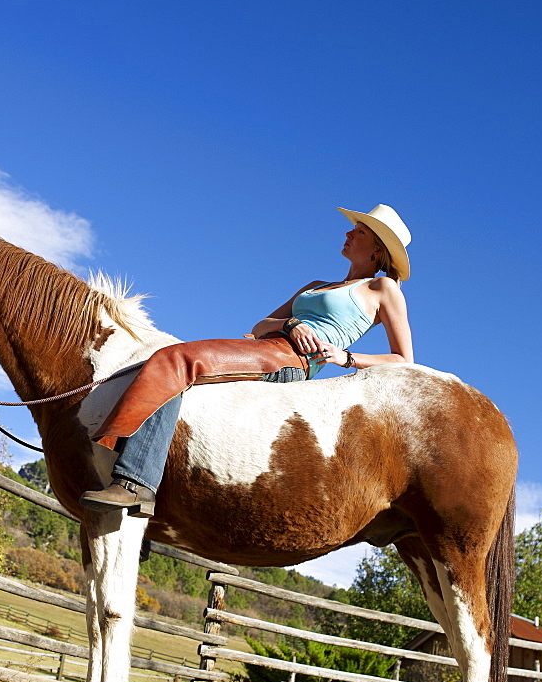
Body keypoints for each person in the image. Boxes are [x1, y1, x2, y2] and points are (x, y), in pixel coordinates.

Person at [80, 204, 414, 517]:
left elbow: (403, 359)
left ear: (377, 252)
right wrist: (291, 324)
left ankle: (133, 481)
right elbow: (260, 326)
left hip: (289, 359)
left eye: (359, 232)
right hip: (268, 345)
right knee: (176, 362)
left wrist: (346, 357)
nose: (348, 234)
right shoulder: (316, 286)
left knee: (175, 358)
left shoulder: (382, 288)